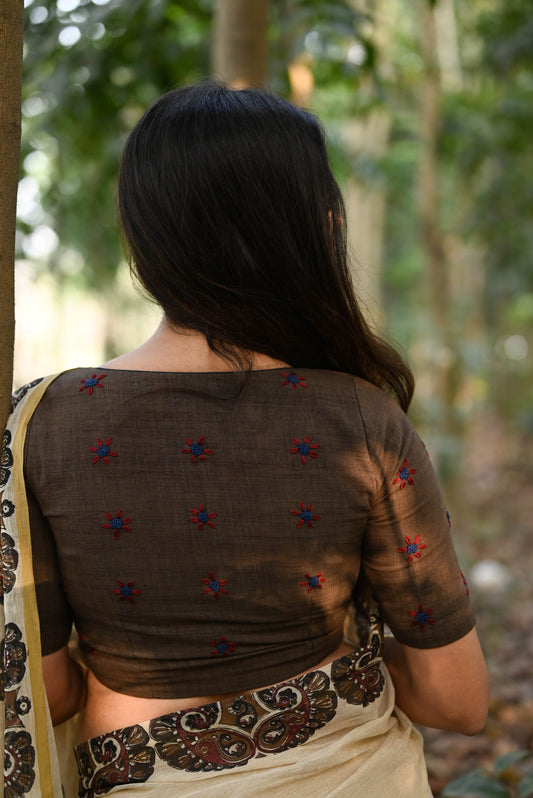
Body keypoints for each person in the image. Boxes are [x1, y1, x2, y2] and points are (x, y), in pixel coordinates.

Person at [1, 81, 488, 798]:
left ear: (142, 236)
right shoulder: (360, 419)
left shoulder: (41, 421)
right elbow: (457, 701)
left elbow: (49, 692)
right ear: (320, 230)